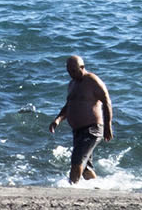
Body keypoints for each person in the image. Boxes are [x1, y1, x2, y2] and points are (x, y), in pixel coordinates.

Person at [48, 54, 114, 183]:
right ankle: (98, 188)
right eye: (68, 70)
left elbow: (107, 102)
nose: (70, 73)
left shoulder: (92, 81)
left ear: (82, 67)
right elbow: (69, 105)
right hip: (78, 131)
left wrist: (108, 126)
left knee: (77, 161)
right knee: (85, 168)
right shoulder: (72, 84)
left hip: (92, 129)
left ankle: (71, 188)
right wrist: (57, 120)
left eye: (73, 70)